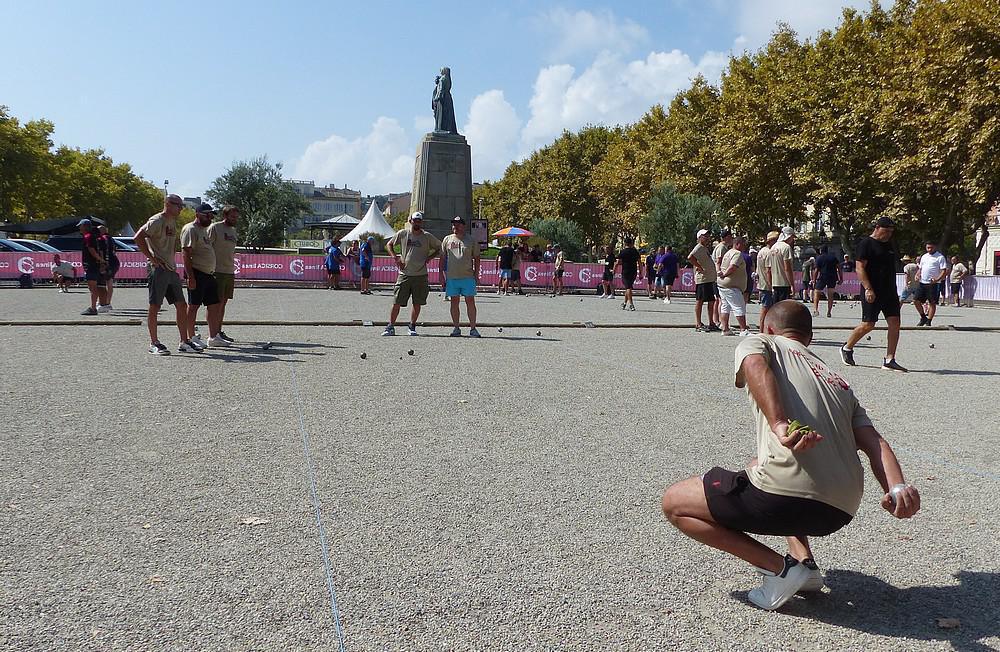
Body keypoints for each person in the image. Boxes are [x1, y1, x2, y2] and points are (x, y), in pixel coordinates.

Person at [661, 300, 920, 611]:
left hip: (782, 499)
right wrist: (896, 487)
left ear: (769, 328)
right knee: (760, 465)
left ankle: (780, 569)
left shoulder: (762, 342)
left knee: (675, 503)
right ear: (808, 338)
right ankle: (805, 565)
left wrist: (779, 422)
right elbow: (874, 441)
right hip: (838, 511)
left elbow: (754, 365)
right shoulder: (838, 381)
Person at [841, 217, 907, 371]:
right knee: (868, 324)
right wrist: (868, 288)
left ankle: (890, 359)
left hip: (889, 290)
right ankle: (847, 347)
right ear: (877, 228)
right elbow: (859, 268)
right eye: (887, 230)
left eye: (891, 231)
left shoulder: (889, 245)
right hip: (872, 289)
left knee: (895, 322)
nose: (889, 234)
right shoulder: (866, 244)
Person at [134, 194, 192, 355]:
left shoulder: (172, 221)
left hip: (170, 268)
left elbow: (172, 243)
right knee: (155, 306)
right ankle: (154, 342)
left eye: (182, 206)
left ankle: (184, 341)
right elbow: (138, 237)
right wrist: (152, 258)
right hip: (158, 269)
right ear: (168, 204)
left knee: (181, 304)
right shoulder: (157, 220)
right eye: (178, 205)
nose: (181, 208)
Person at [382, 211, 441, 336]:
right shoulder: (403, 233)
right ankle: (390, 326)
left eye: (419, 221)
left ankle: (412, 326)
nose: (417, 223)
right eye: (415, 220)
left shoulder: (427, 236)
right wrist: (395, 257)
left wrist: (430, 257)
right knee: (396, 301)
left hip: (420, 275)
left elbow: (440, 248)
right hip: (404, 273)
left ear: (422, 222)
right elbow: (389, 244)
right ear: (411, 221)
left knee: (417, 302)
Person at [181, 203, 226, 349]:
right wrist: (191, 276)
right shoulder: (190, 229)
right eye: (207, 214)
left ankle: (213, 337)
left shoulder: (204, 231)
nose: (210, 217)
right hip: (197, 272)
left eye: (211, 214)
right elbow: (186, 253)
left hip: (208, 274)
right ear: (198, 214)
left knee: (214, 304)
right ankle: (190, 337)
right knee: (193, 306)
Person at [441, 216, 481, 338]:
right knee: (454, 302)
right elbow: (442, 258)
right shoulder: (447, 239)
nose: (455, 226)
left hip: (467, 276)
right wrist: (441, 275)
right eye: (453, 224)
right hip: (452, 277)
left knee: (470, 302)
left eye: (458, 224)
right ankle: (456, 328)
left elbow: (477, 258)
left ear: (464, 226)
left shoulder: (471, 240)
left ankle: (473, 328)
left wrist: (476, 274)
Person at [208, 204, 239, 343]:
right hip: (217, 270)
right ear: (225, 215)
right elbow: (206, 247)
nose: (235, 219)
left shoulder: (233, 231)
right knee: (215, 304)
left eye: (236, 217)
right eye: (232, 216)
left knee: (223, 303)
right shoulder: (215, 228)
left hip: (229, 270)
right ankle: (212, 334)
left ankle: (219, 332)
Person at [718, 236, 751, 336]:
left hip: (722, 285)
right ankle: (743, 330)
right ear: (738, 244)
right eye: (743, 244)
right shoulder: (737, 253)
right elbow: (733, 267)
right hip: (732, 285)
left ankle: (725, 329)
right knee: (739, 307)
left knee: (725, 307)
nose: (744, 247)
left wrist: (722, 275)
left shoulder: (728, 253)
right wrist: (725, 274)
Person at [688, 229, 720, 332]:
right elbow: (690, 257)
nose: (707, 238)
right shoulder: (698, 248)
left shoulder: (704, 248)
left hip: (709, 279)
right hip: (702, 279)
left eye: (708, 236)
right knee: (700, 301)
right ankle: (698, 323)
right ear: (699, 237)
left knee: (711, 301)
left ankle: (711, 322)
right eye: (705, 236)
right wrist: (699, 267)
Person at [77, 219, 108, 315]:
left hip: (91, 265)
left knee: (92, 287)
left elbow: (92, 250)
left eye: (80, 226)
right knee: (94, 287)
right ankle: (96, 305)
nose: (79, 228)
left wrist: (100, 259)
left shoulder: (88, 236)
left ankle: (93, 307)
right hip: (94, 264)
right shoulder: (94, 236)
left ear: (85, 226)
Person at [914, 241, 947, 326]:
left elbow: (944, 270)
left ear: (935, 247)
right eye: (927, 247)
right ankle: (923, 317)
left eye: (931, 247)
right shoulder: (924, 256)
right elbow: (920, 268)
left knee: (932, 302)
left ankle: (929, 320)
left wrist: (937, 279)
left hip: (933, 283)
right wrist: (917, 275)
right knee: (916, 300)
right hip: (922, 282)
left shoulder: (940, 257)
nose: (929, 249)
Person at [756, 231, 778, 330]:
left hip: (762, 283)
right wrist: (771, 285)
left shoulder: (761, 251)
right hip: (767, 285)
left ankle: (763, 328)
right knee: (766, 308)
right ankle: (762, 329)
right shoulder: (769, 252)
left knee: (765, 307)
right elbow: (768, 270)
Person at [812, 245, 842, 318]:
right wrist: (840, 278)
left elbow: (816, 270)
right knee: (830, 295)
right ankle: (829, 312)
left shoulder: (819, 258)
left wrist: (814, 280)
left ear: (821, 251)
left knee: (816, 292)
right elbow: (839, 268)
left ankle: (816, 310)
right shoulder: (833, 257)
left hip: (822, 277)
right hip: (832, 277)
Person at [96, 225, 120, 311]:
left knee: (102, 283)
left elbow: (104, 251)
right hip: (114, 262)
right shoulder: (111, 238)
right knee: (109, 283)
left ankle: (104, 302)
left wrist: (103, 263)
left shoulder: (103, 239)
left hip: (108, 262)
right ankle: (107, 302)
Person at [713, 230, 733, 326]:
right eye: (730, 236)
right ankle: (720, 321)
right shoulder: (721, 248)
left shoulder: (723, 247)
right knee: (720, 299)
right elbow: (719, 261)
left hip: (718, 276)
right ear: (726, 237)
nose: (732, 239)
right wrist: (721, 273)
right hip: (719, 276)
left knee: (718, 299)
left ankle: (717, 320)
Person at [770, 227, 795, 303]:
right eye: (792, 237)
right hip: (784, 283)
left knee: (776, 307)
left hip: (775, 282)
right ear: (789, 236)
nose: (793, 239)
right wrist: (792, 285)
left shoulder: (773, 247)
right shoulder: (786, 247)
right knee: (784, 307)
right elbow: (787, 268)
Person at [616, 238, 641, 311]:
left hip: (626, 271)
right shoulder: (635, 251)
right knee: (628, 287)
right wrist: (641, 272)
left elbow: (618, 262)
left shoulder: (623, 252)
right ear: (631, 243)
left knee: (628, 287)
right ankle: (624, 303)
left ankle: (631, 304)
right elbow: (639, 263)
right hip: (633, 271)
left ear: (625, 243)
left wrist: (614, 270)